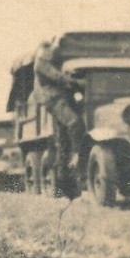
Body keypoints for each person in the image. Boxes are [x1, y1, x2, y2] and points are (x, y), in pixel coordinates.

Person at [33, 38, 85, 170]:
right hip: (54, 99)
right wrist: (75, 81)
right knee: (74, 122)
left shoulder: (46, 62)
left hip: (60, 98)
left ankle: (62, 169)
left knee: (63, 136)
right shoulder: (41, 64)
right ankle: (77, 155)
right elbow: (57, 76)